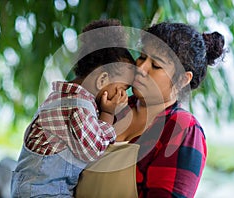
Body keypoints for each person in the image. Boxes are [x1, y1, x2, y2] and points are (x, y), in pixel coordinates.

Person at [75, 22, 225, 197]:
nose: (141, 68)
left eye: (156, 65)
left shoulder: (182, 129)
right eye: (141, 57)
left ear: (183, 79)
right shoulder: (109, 105)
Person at [10, 19, 135, 198]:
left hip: (32, 188)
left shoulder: (64, 96)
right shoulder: (78, 106)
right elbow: (94, 151)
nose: (123, 95)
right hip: (44, 191)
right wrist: (108, 113)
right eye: (122, 88)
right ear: (102, 80)